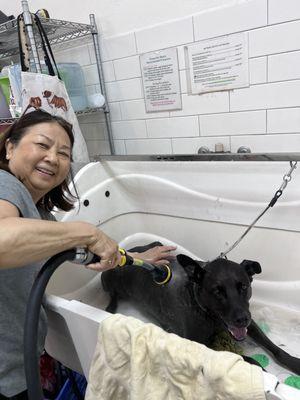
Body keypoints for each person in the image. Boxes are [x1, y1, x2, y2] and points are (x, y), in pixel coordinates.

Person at [0, 109, 176, 399]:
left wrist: (135, 259)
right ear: (10, 147)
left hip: (20, 363)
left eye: (64, 153)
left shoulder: (41, 216)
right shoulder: (5, 184)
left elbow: (84, 255)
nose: (53, 158)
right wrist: (87, 231)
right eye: (42, 145)